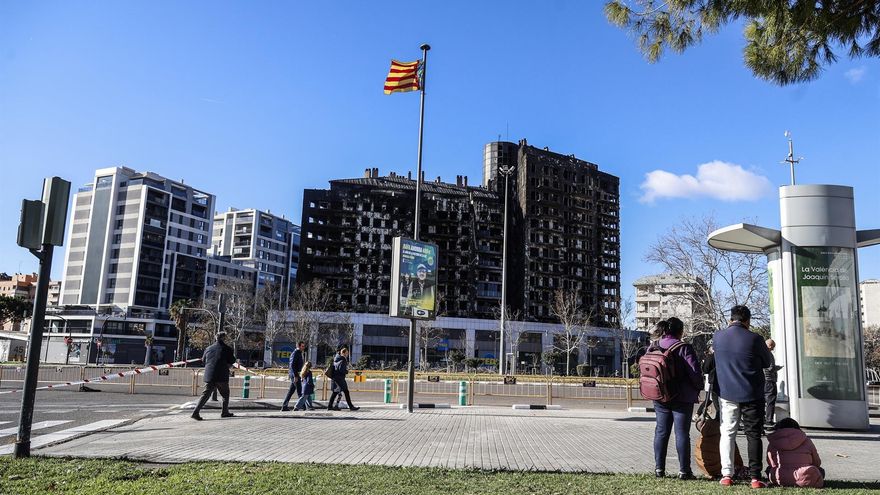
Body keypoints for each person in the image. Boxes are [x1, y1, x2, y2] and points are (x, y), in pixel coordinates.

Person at [713, 305, 773, 488]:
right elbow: (767, 362)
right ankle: (755, 477)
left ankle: (726, 474)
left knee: (728, 432)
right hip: (752, 393)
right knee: (753, 434)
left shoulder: (718, 337)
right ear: (748, 320)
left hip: (727, 393)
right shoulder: (755, 338)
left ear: (731, 319)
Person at [650, 318, 703, 479]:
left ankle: (659, 469)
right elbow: (695, 373)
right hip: (682, 396)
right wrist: (699, 386)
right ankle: (684, 471)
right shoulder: (683, 347)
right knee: (681, 433)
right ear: (680, 331)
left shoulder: (653, 346)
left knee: (661, 431)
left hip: (660, 395)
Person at [766, 418, 825, 488]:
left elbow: (771, 463)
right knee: (821, 470)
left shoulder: (773, 442)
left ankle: (782, 481)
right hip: (806, 475)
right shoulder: (806, 440)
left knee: (768, 469)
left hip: (780, 476)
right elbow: (816, 462)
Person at [191, 332, 237, 421]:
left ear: (216, 338)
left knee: (205, 395)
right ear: (224, 338)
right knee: (225, 394)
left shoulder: (208, 348)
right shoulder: (227, 349)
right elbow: (232, 360)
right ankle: (224, 412)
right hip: (221, 375)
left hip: (210, 375)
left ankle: (195, 412)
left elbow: (203, 360)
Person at [327, 345, 359, 411]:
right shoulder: (343, 360)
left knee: (335, 392)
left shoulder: (336, 358)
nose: (347, 355)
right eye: (347, 353)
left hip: (335, 378)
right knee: (346, 392)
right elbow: (341, 369)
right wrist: (347, 371)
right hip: (340, 379)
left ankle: (330, 406)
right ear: (343, 353)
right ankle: (351, 406)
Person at [281, 341, 306, 412]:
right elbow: (292, 365)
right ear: (298, 346)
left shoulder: (299, 353)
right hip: (295, 375)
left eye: (304, 346)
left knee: (291, 391)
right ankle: (302, 406)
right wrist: (295, 376)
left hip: (296, 374)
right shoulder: (295, 353)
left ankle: (284, 406)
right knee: (299, 391)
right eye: (302, 346)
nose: (303, 347)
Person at [763, 339, 784, 427]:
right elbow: (770, 368)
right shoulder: (769, 354)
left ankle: (764, 419)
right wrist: (778, 367)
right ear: (770, 346)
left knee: (763, 401)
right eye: (773, 346)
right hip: (770, 380)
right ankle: (769, 420)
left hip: (763, 380)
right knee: (770, 401)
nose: (773, 348)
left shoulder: (761, 353)